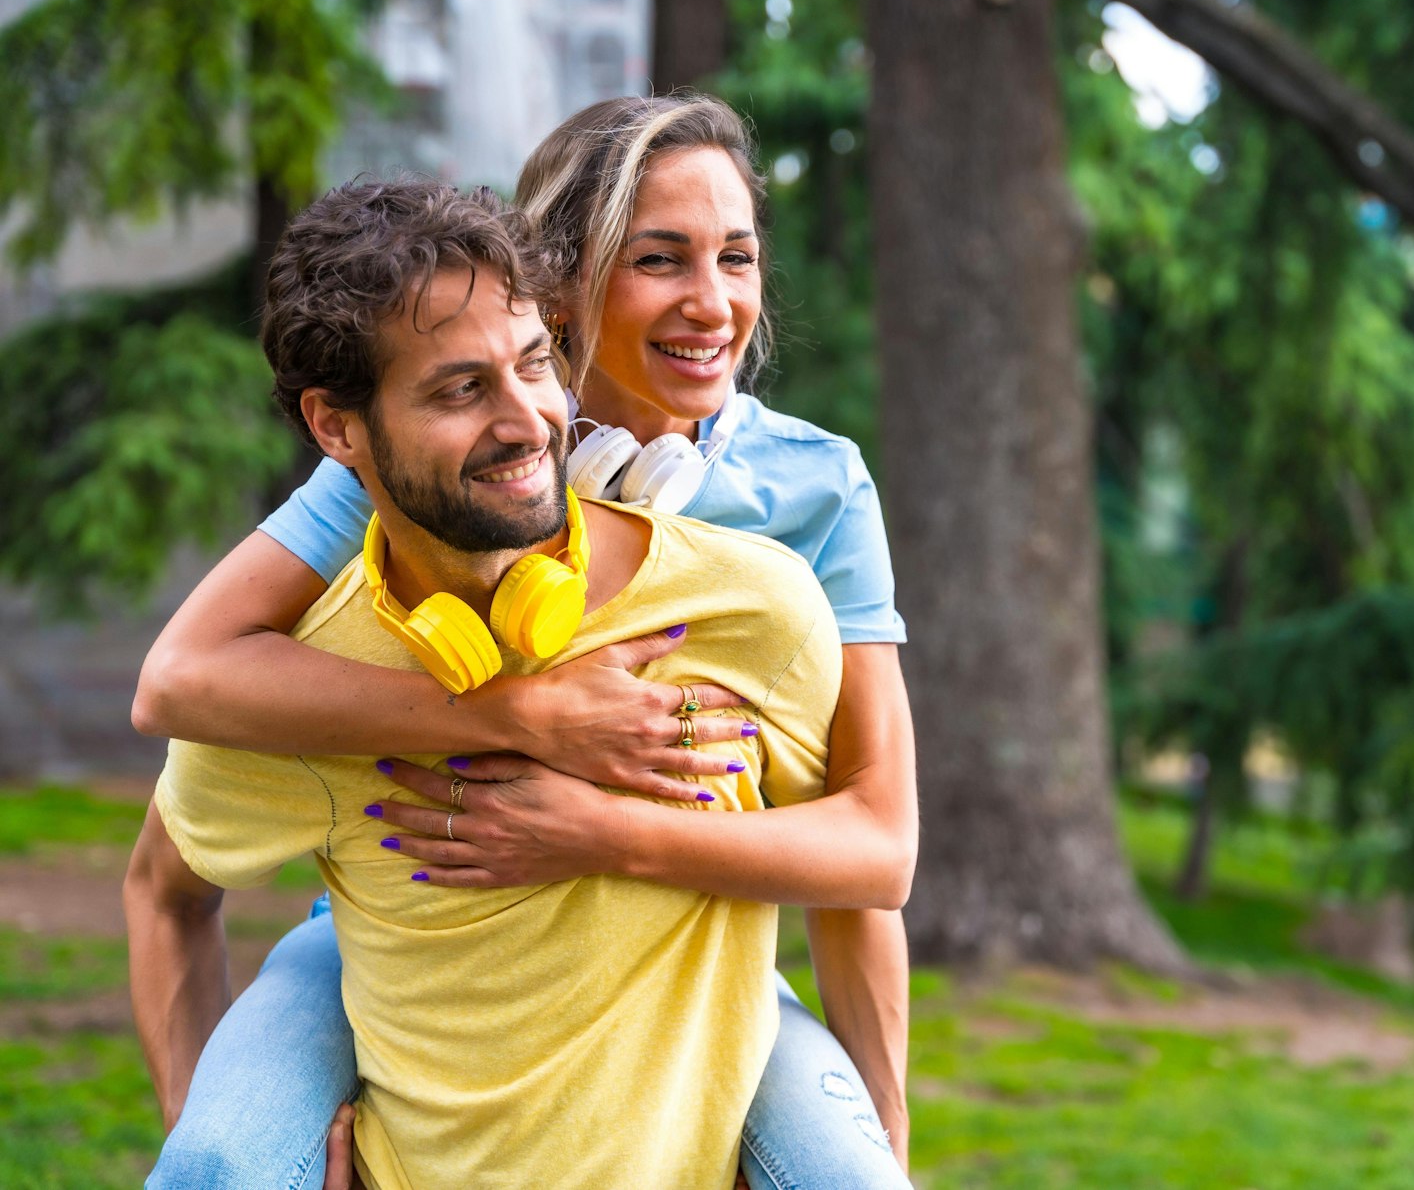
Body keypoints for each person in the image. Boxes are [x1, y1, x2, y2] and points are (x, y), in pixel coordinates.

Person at [131, 97, 918, 1189]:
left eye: (735, 256)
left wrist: (595, 830)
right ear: (559, 282)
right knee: (224, 1159)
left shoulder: (810, 493)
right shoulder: (415, 461)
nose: (713, 301)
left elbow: (874, 848)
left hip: (686, 942)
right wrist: (516, 713)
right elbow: (181, 678)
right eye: (659, 258)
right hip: (408, 920)